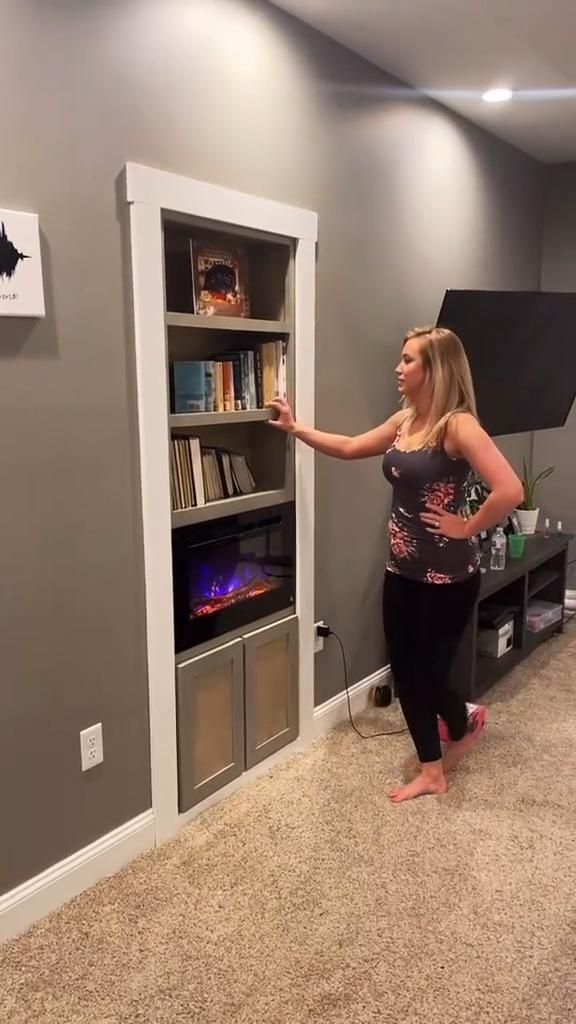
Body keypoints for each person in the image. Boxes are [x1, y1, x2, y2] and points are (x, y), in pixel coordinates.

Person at [268, 326, 523, 803]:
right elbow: (348, 446)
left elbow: (510, 489)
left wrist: (465, 526)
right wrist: (295, 428)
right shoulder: (406, 421)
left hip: (448, 579)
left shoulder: (457, 425)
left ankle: (447, 746)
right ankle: (448, 745)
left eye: (408, 360)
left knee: (424, 675)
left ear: (435, 369)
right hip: (400, 572)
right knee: (406, 671)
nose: (398, 368)